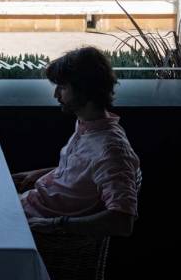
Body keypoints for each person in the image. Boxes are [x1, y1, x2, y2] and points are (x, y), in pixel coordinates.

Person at [13, 47, 139, 238]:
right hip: (26, 205)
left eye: (62, 87)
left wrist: (57, 224)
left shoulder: (111, 150)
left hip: (29, 226)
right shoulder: (87, 126)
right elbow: (82, 173)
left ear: (85, 89)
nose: (56, 95)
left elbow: (122, 220)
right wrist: (39, 173)